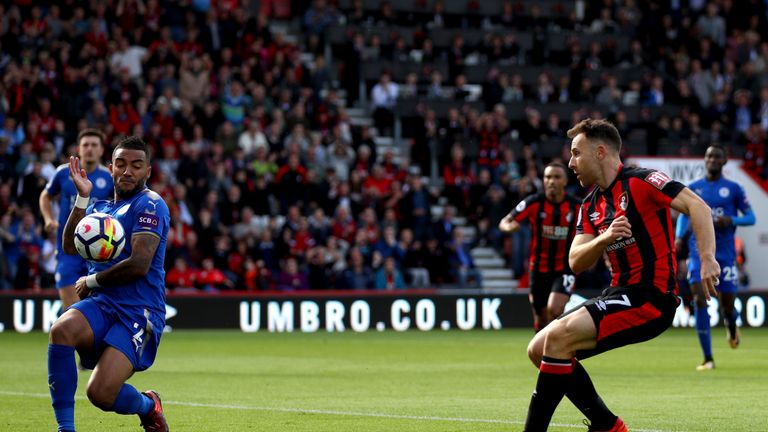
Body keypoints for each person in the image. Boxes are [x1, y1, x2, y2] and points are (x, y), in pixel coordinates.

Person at [523, 119, 719, 432]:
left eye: (576, 153)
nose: (571, 162)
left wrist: (707, 258)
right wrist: (604, 238)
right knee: (538, 349)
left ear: (600, 152)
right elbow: (575, 261)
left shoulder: (642, 181)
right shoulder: (590, 205)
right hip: (618, 293)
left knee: (558, 339)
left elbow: (698, 207)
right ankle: (606, 425)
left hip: (652, 297)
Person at [47, 136, 170, 432]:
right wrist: (82, 198)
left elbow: (140, 264)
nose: (128, 171)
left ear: (148, 171)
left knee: (100, 394)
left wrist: (92, 279)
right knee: (61, 330)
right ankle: (66, 430)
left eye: (136, 165)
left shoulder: (150, 205)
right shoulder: (99, 208)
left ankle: (148, 404)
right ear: (110, 167)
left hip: (139, 312)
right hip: (102, 304)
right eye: (121, 164)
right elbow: (69, 246)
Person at [675, 144, 755, 371]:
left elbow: (751, 217)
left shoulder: (734, 189)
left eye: (716, 157)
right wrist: (680, 236)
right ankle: (708, 358)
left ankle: (731, 323)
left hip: (725, 254)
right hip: (697, 251)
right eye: (709, 156)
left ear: (724, 161)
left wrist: (732, 220)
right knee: (700, 299)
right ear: (705, 159)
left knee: (727, 305)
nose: (711, 160)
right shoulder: (693, 188)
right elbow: (684, 215)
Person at [499, 162, 581, 331]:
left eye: (556, 177)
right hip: (538, 269)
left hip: (565, 268)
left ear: (565, 181)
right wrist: (510, 227)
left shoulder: (577, 206)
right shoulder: (534, 202)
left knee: (555, 309)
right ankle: (544, 355)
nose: (551, 181)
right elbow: (505, 221)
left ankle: (558, 351)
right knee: (541, 317)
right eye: (547, 177)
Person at [40, 129, 114, 309]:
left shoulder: (109, 178)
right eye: (85, 145)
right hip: (68, 250)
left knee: (95, 309)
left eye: (94, 145)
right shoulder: (63, 173)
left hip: (98, 252)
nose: (89, 149)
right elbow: (45, 196)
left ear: (101, 150)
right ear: (78, 149)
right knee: (71, 307)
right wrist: (48, 219)